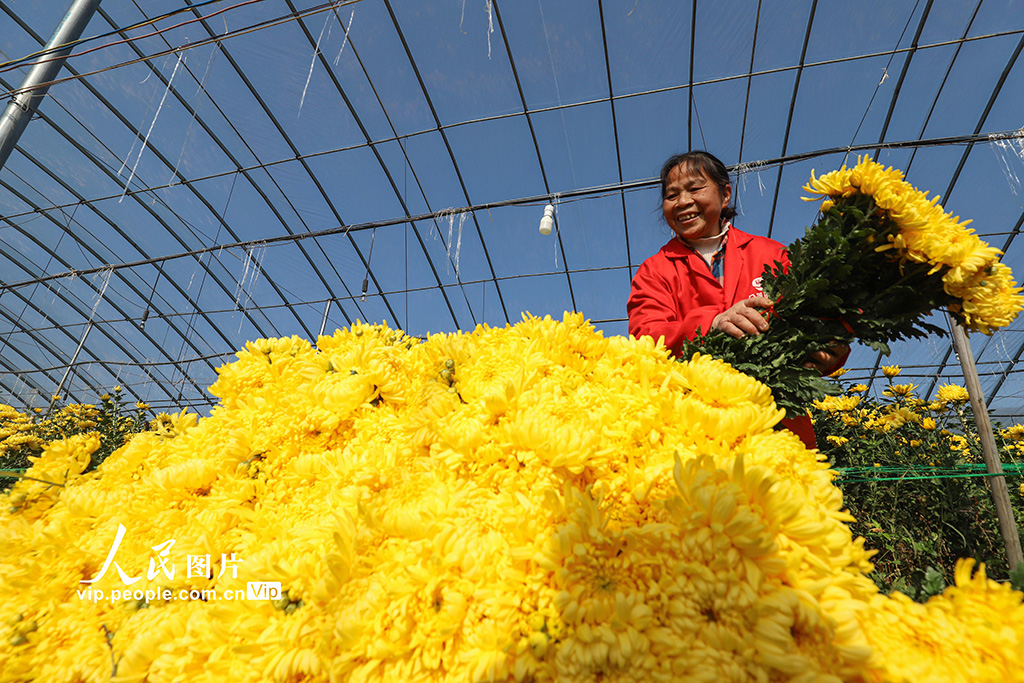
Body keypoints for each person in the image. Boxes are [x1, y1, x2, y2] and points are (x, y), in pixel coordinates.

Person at [627, 150, 847, 449]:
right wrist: (712, 323)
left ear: (725, 194)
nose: (682, 202)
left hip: (775, 423)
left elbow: (818, 317)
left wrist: (831, 348)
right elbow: (645, 339)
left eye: (694, 188)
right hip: (688, 426)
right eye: (671, 195)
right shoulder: (655, 270)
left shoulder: (772, 254)